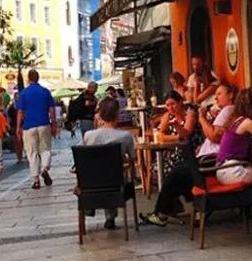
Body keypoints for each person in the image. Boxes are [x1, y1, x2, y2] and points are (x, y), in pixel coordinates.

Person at [141, 83, 237, 227]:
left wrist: (202, 118)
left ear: (230, 95)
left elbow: (212, 136)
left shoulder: (219, 111)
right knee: (177, 173)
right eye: (167, 105)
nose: (215, 98)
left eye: (219, 94)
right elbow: (158, 134)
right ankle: (175, 210)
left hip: (209, 159)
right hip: (203, 157)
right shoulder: (224, 112)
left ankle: (163, 213)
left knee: (176, 173)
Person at [82, 97, 136, 229]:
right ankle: (110, 217)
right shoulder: (126, 136)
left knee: (101, 170)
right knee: (113, 173)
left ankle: (89, 206)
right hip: (116, 182)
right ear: (118, 114)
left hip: (91, 184)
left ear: (100, 115)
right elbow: (133, 157)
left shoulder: (88, 136)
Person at [215, 88, 252, 187]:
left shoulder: (238, 120)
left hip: (225, 169)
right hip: (233, 170)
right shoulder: (246, 122)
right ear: (251, 105)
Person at [16, 69, 58, 189]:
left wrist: (18, 127)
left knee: (32, 152)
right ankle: (45, 168)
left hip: (29, 126)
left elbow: (20, 112)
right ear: (38, 78)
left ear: (28, 79)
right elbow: (52, 109)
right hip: (44, 123)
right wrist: (53, 124)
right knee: (45, 149)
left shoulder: (23, 93)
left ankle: (36, 180)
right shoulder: (45, 91)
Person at [158, 90, 201, 175]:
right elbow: (159, 136)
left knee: (167, 168)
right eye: (167, 105)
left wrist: (176, 126)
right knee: (158, 167)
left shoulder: (190, 113)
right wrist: (176, 138)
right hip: (175, 152)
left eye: (173, 104)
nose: (170, 108)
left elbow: (186, 135)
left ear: (180, 102)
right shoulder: (168, 116)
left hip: (190, 151)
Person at [7, 92, 23, 163]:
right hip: (14, 125)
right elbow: (8, 116)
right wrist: (8, 124)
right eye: (16, 97)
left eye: (18, 97)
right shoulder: (11, 107)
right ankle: (19, 157)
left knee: (21, 141)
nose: (17, 98)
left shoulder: (23, 105)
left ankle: (21, 155)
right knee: (16, 142)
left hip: (22, 125)